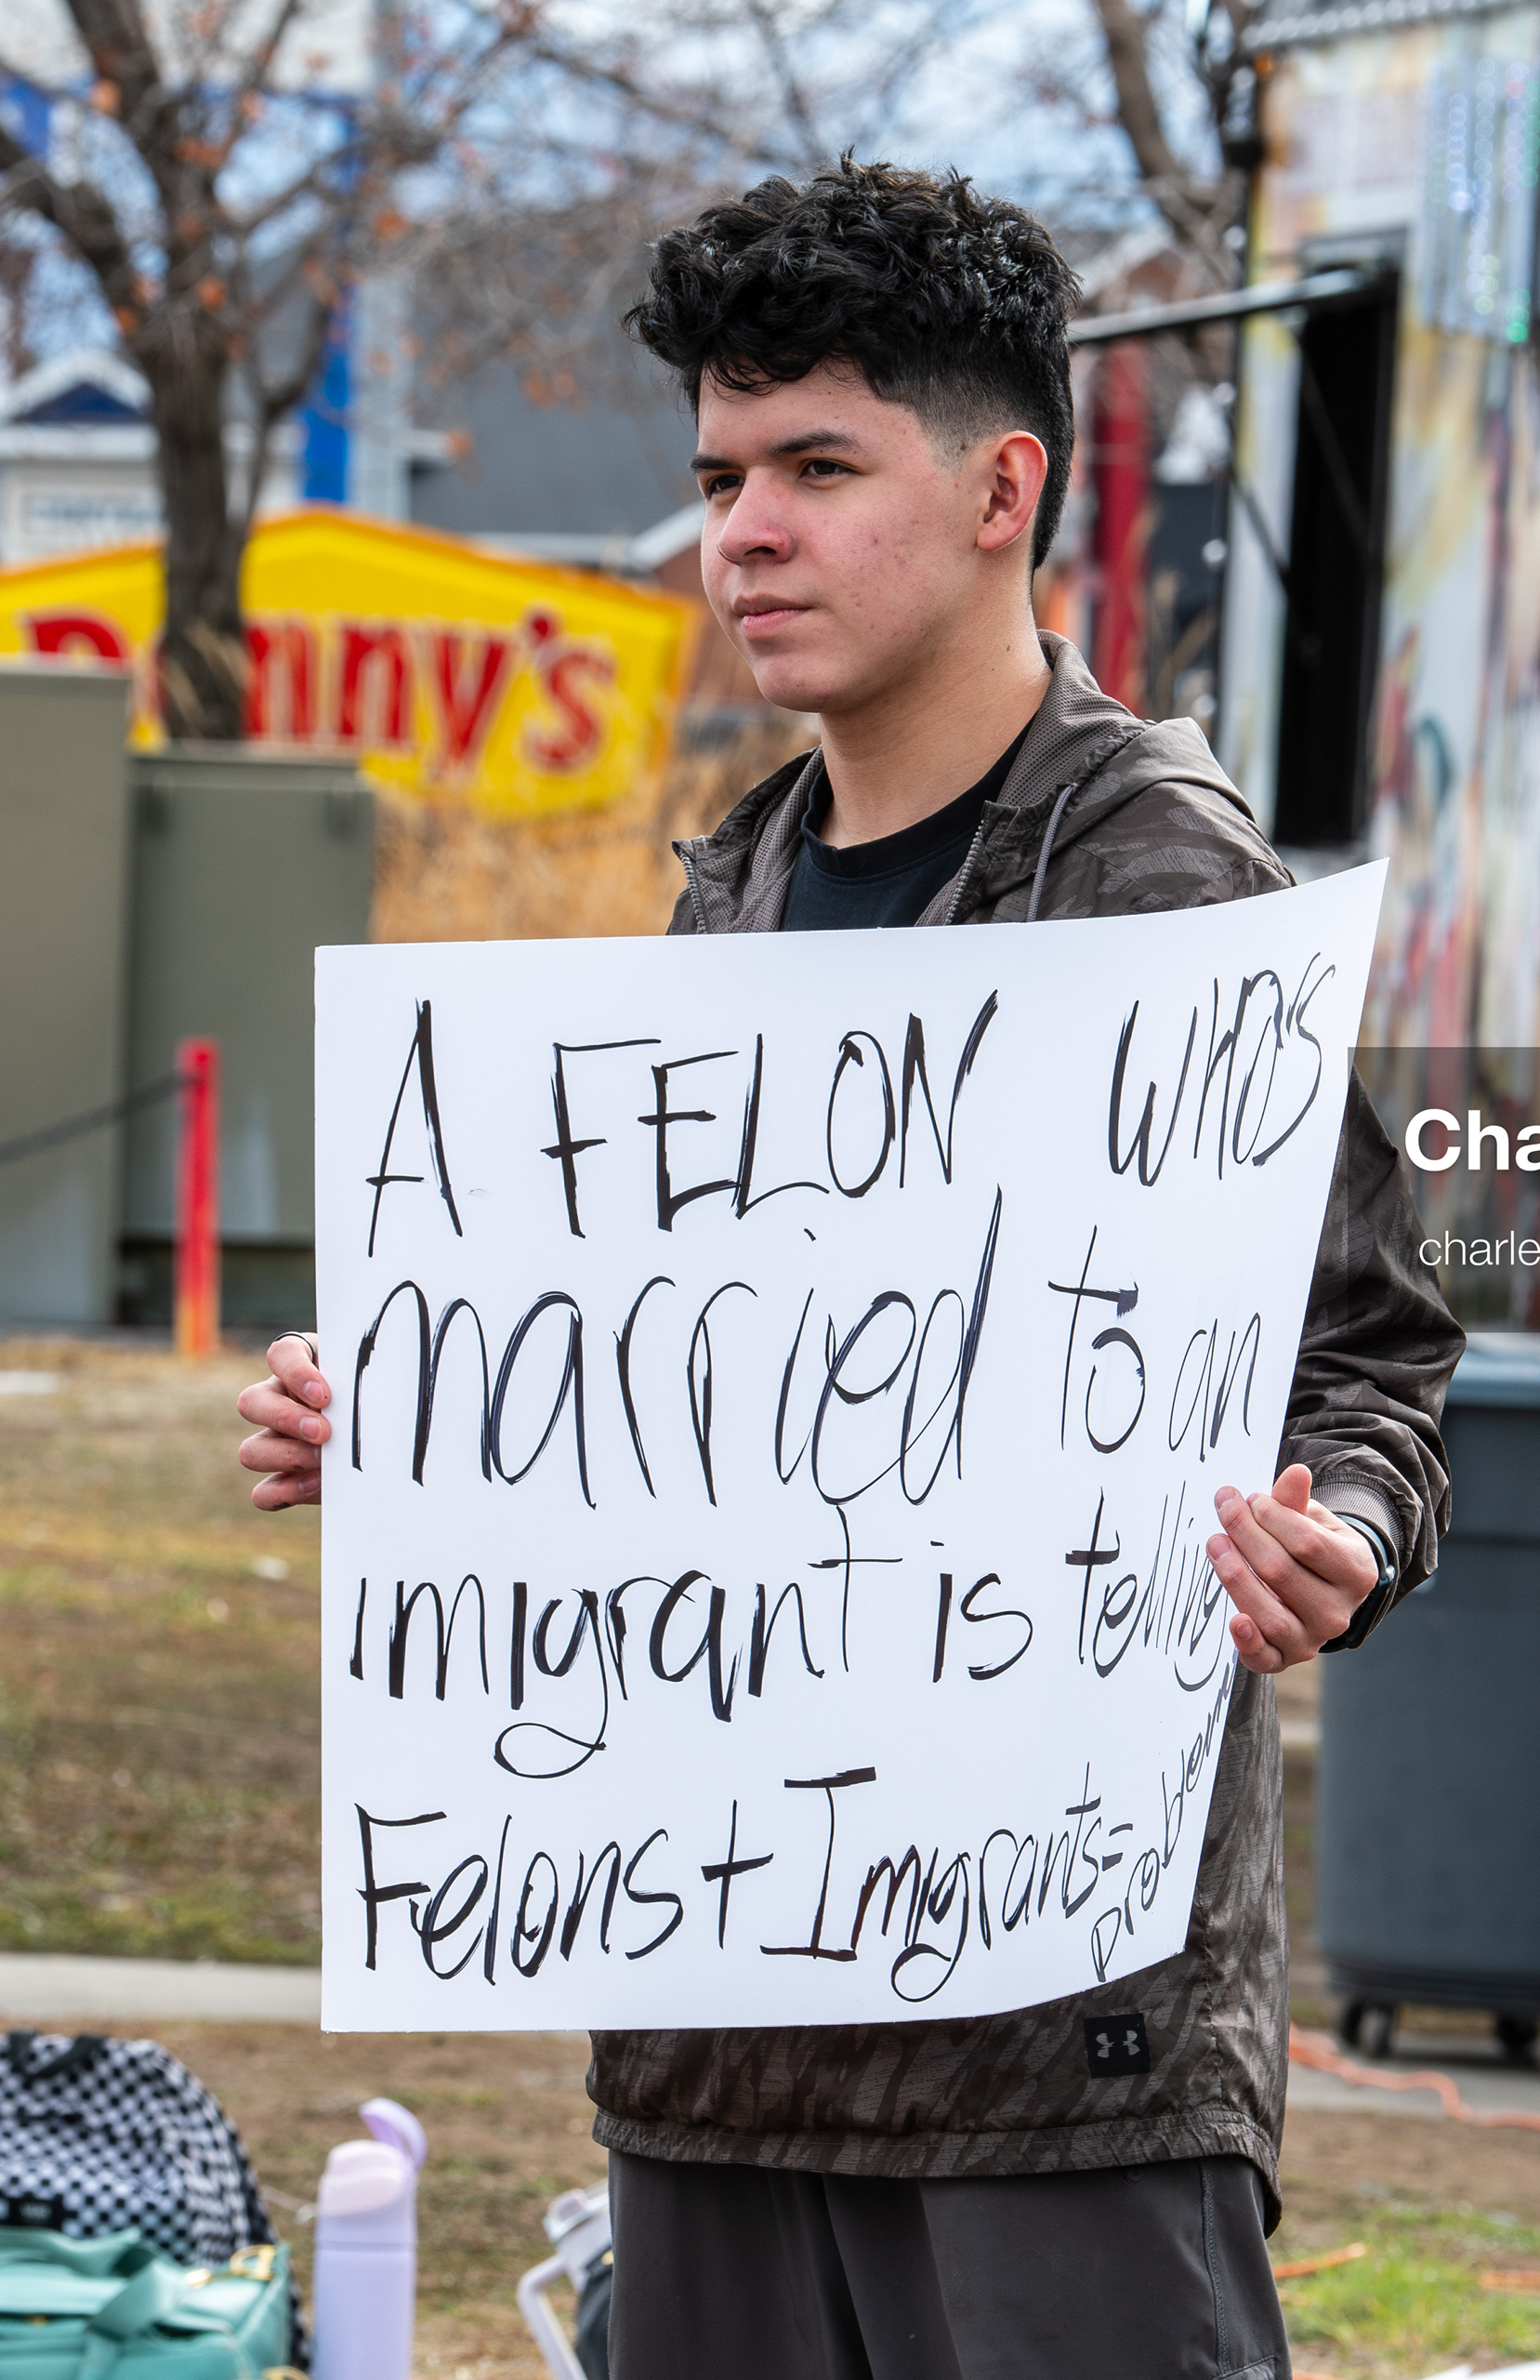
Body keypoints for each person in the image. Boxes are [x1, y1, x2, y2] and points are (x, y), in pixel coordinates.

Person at [239, 160, 1462, 2380]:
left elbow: (1370, 1360)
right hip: (715, 2033)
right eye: (719, 475)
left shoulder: (1159, 878)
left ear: (1005, 487)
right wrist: (418, 1419)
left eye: (818, 467)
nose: (744, 533)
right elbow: (701, 1401)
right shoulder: (737, 888)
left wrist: (1340, 1538)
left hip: (1053, 2066)